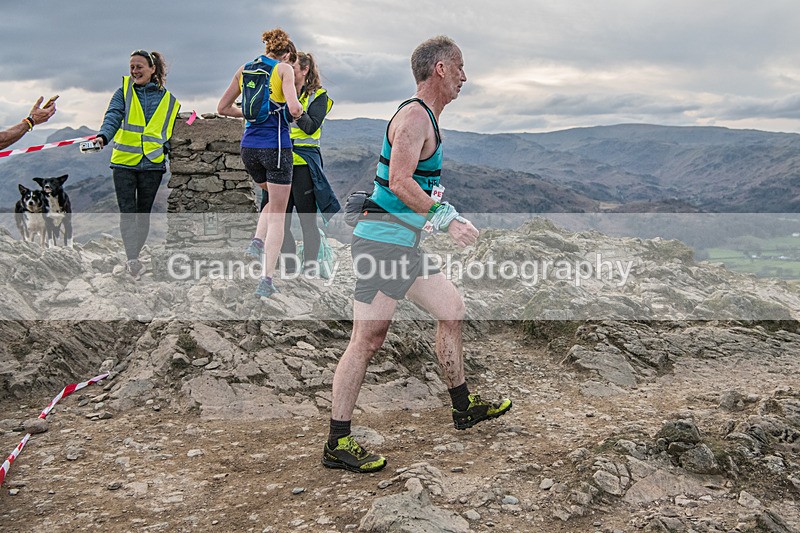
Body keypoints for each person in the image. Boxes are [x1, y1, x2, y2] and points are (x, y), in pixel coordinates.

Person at [322, 36, 512, 473]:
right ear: (440, 69)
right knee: (367, 340)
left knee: (452, 309)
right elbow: (399, 183)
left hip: (403, 243)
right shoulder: (413, 117)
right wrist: (447, 218)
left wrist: (434, 219)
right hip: (381, 243)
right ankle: (337, 442)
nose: (466, 76)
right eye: (460, 67)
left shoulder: (428, 118)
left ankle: (463, 406)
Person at [218, 28, 303, 297]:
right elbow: (293, 108)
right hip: (276, 148)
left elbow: (222, 108)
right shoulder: (283, 69)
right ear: (288, 54)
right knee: (279, 211)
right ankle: (266, 280)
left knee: (271, 195)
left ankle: (256, 241)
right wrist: (299, 109)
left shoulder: (244, 68)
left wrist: (250, 114)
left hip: (249, 147)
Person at [247, 51, 340, 274]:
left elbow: (310, 127)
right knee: (280, 221)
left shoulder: (319, 96)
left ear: (305, 70)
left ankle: (309, 270)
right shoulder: (276, 93)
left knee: (308, 222)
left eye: (292, 66)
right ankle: (288, 269)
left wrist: (293, 106)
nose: (285, 69)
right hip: (278, 161)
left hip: (303, 165)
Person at [94, 50, 181, 280]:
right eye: (131, 67)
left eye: (139, 66)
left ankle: (135, 254)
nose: (134, 71)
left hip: (152, 164)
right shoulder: (123, 91)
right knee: (128, 212)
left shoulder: (170, 101)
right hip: (123, 162)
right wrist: (103, 136)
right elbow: (113, 116)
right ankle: (132, 258)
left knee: (143, 214)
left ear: (152, 69)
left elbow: (173, 130)